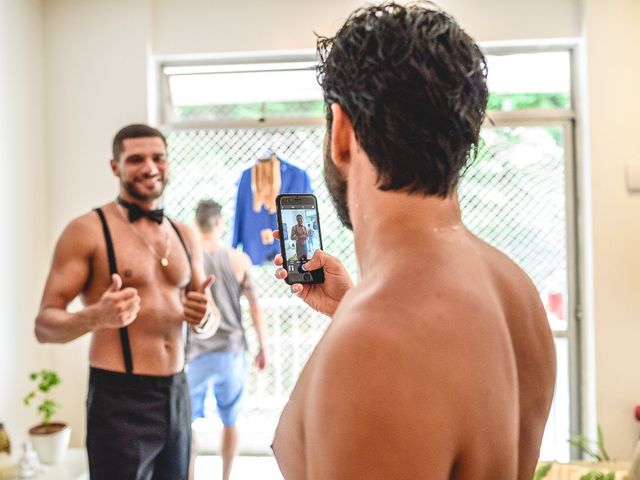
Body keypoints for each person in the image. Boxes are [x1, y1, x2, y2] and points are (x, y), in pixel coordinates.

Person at [271, 3, 556, 480]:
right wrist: (355, 305)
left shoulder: (377, 338)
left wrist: (365, 318)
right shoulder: (514, 289)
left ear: (342, 132)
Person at [34, 124, 220, 480]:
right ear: (115, 167)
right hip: (119, 400)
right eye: (136, 159)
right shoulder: (87, 230)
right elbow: (44, 326)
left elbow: (210, 317)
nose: (149, 167)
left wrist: (204, 317)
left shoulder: (185, 233)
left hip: (178, 391)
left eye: (158, 158)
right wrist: (95, 316)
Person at [187, 199, 268, 480]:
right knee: (230, 421)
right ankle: (225, 478)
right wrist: (262, 348)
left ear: (197, 224)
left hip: (194, 354)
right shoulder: (238, 259)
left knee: (188, 424)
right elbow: (255, 307)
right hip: (231, 352)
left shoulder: (188, 259)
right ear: (219, 224)